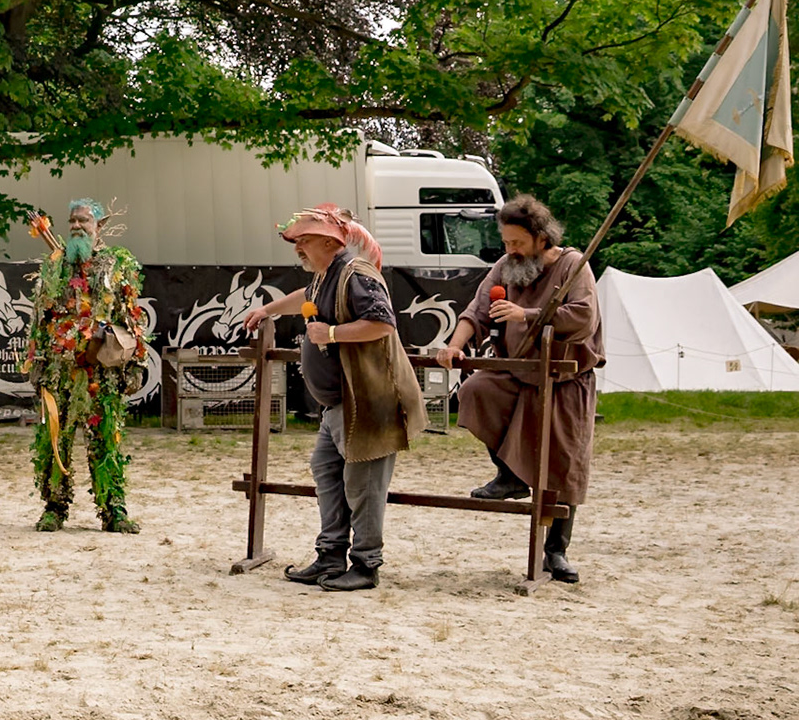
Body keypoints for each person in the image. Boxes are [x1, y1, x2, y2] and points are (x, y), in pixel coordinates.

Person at [244, 204, 425, 591]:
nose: (297, 248)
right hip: (341, 405)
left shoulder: (357, 274)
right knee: (328, 474)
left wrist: (331, 334)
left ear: (330, 241)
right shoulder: (328, 274)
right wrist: (268, 310)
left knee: (364, 486)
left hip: (368, 402)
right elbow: (304, 296)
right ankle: (330, 556)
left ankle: (365, 564)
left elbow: (381, 323)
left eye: (304, 240)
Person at [433, 194, 603, 583]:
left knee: (562, 465)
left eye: (517, 243)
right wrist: (454, 345)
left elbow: (583, 318)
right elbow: (476, 311)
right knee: (476, 391)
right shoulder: (505, 267)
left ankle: (555, 552)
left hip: (564, 379)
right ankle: (508, 474)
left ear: (541, 238)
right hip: (514, 369)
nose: (510, 250)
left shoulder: (573, 265)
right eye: (506, 242)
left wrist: (526, 314)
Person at [24, 198, 147, 534]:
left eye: (83, 220)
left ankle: (113, 511)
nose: (77, 226)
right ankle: (54, 507)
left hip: (102, 372)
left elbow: (130, 314)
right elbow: (40, 318)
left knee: (106, 441)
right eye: (72, 221)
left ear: (99, 226)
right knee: (54, 441)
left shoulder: (114, 265)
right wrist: (35, 361)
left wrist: (137, 363)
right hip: (58, 370)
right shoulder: (54, 266)